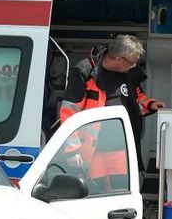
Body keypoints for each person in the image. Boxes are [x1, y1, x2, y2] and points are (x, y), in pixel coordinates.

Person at [59, 34, 163, 170]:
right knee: (97, 190)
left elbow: (137, 97)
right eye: (132, 62)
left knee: (122, 190)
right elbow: (69, 112)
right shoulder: (85, 71)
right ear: (120, 60)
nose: (134, 66)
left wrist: (150, 104)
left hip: (122, 150)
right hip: (92, 153)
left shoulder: (129, 73)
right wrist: (72, 152)